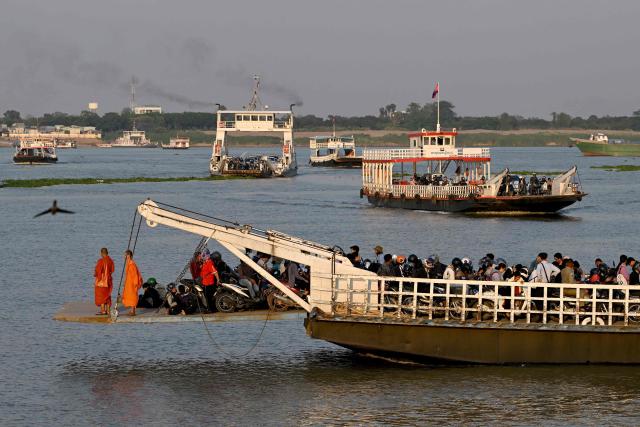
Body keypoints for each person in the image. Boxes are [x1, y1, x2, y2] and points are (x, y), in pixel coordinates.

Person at [94, 247, 115, 315]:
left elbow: (98, 271)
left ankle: (103, 310)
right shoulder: (110, 260)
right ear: (107, 253)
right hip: (108, 281)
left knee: (101, 296)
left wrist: (95, 274)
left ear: (102, 253)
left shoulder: (101, 261)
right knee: (108, 295)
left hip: (102, 282)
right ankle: (108, 310)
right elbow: (112, 270)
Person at [122, 249, 143, 316]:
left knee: (133, 296)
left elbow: (135, 275)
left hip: (132, 284)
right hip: (129, 283)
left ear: (128, 255)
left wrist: (135, 284)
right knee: (129, 296)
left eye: (125, 255)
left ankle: (133, 311)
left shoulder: (132, 264)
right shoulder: (129, 263)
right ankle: (131, 310)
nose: (124, 256)